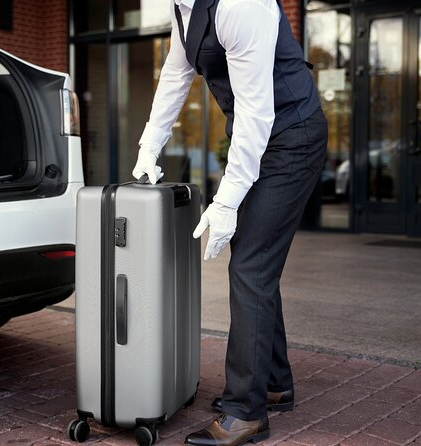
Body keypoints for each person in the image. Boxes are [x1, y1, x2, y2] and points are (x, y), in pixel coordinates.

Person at [132, 0, 327, 444]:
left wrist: (225, 203)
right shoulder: (182, 9)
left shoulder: (241, 5)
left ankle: (246, 412)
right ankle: (274, 383)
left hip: (291, 138)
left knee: (250, 266)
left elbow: (257, 114)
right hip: (261, 139)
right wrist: (150, 145)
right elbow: (175, 76)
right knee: (253, 261)